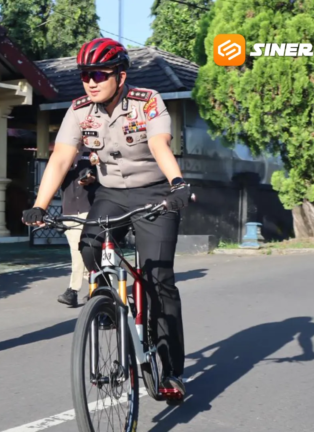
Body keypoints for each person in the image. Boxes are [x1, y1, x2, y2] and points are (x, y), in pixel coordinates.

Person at [22, 38, 193, 397]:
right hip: (111, 195)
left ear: (120, 76)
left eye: (99, 74)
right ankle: (109, 303)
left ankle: (171, 372)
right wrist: (40, 205)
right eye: (85, 75)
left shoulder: (147, 101)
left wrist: (178, 184)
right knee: (88, 245)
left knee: (159, 281)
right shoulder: (79, 110)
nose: (90, 82)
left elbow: (159, 144)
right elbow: (61, 157)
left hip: (155, 192)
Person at [57, 149, 98, 307]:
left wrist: (90, 178)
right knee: (83, 252)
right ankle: (97, 285)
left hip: (87, 211)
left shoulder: (90, 157)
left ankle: (73, 290)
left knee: (77, 250)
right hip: (69, 213)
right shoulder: (61, 162)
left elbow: (95, 175)